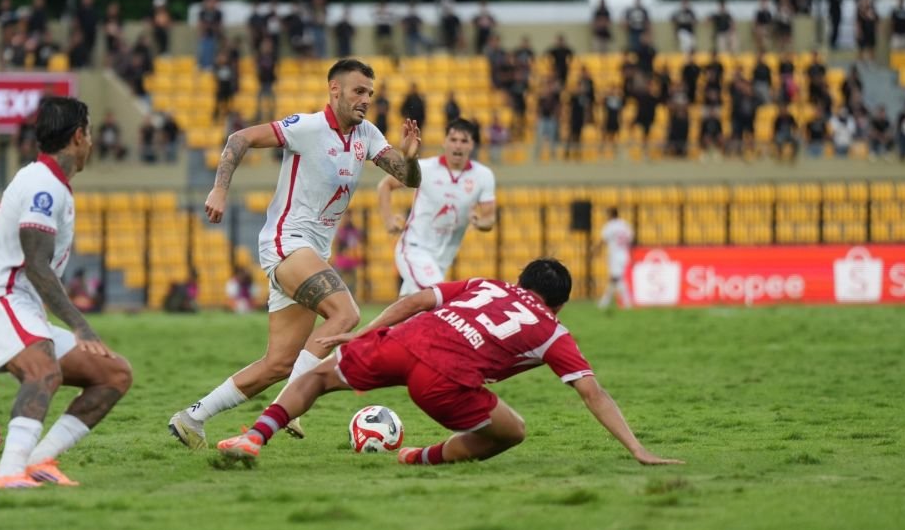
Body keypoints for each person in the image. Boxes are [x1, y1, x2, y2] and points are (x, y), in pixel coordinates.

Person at [168, 58, 422, 449]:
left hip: (311, 252)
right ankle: (292, 405)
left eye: (370, 93)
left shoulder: (366, 134)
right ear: (334, 90)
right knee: (346, 313)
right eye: (358, 91)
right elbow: (240, 138)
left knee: (278, 363)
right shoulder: (307, 128)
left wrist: (410, 155)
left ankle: (192, 418)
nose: (366, 99)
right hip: (287, 242)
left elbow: (408, 178)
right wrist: (220, 189)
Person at [216, 259, 682, 468]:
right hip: (446, 380)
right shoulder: (554, 332)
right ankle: (421, 457)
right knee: (512, 430)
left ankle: (253, 437)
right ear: (558, 305)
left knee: (318, 376)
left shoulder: (487, 284)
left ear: (519, 280)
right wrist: (636, 448)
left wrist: (364, 332)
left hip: (406, 339)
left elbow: (418, 298)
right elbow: (591, 393)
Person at [0, 97, 132, 489]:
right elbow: (35, 264)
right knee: (44, 370)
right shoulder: (45, 186)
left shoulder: (46, 181)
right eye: (88, 134)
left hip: (16, 306)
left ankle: (38, 461)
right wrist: (80, 326)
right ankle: (6, 474)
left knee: (113, 374)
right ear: (77, 136)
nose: (91, 143)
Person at [380, 118, 496, 296]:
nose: (458, 146)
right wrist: (388, 220)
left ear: (472, 145)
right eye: (453, 140)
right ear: (444, 142)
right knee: (439, 298)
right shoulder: (425, 168)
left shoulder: (483, 176)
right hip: (414, 249)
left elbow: (490, 217)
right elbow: (385, 185)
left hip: (442, 260)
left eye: (464, 141)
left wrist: (479, 222)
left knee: (409, 314)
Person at [596, 207, 633, 311]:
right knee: (614, 279)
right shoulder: (625, 225)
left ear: (611, 215)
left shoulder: (610, 226)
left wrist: (596, 250)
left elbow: (603, 240)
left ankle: (627, 303)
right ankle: (604, 302)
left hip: (615, 256)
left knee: (617, 279)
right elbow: (630, 239)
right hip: (624, 254)